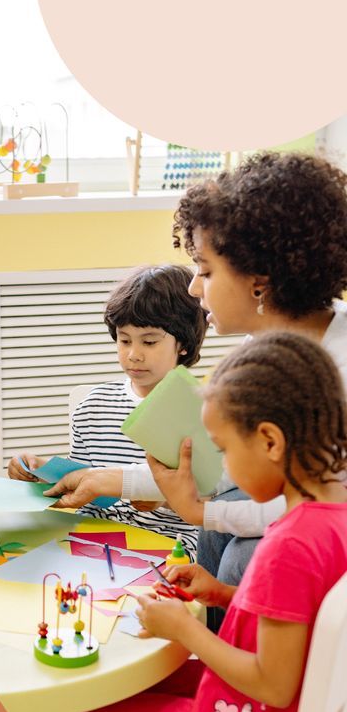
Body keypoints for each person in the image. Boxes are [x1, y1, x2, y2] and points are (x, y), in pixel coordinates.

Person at [45, 332, 347, 712]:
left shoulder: (288, 543)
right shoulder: (332, 517)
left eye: (226, 452)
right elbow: (295, 621)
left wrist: (185, 629)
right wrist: (222, 593)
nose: (222, 472)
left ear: (271, 441)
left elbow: (272, 683)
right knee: (132, 687)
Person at [46, 153, 347, 591]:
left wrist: (195, 510)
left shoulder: (332, 372)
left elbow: (319, 508)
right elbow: (218, 465)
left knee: (243, 555)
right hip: (290, 514)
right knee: (219, 532)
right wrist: (113, 480)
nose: (193, 287)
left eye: (205, 271)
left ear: (258, 282)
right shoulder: (264, 348)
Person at [9, 265, 206, 555]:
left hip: (169, 546)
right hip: (94, 537)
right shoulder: (92, 405)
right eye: (124, 340)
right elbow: (83, 481)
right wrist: (40, 470)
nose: (133, 354)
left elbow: (208, 498)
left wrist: (162, 498)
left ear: (184, 345)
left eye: (149, 342)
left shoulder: (203, 409)